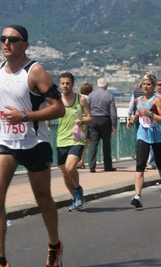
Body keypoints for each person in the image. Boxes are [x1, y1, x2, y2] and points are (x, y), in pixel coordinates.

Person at [0, 25, 65, 267]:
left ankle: (54, 245)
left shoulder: (35, 71)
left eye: (13, 39)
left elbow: (59, 108)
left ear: (24, 44)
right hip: (6, 143)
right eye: (3, 38)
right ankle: (1, 260)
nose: (6, 43)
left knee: (43, 198)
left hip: (35, 143)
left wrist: (25, 116)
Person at [127, 74, 161, 208]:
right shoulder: (138, 100)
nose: (145, 86)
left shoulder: (157, 100)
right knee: (140, 165)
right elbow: (139, 113)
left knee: (160, 163)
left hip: (157, 136)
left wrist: (150, 114)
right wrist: (133, 119)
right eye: (144, 84)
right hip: (143, 135)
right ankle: (137, 196)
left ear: (153, 86)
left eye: (148, 84)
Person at [57, 73, 92, 211]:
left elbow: (90, 117)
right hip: (61, 140)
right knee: (65, 174)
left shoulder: (81, 99)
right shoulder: (57, 100)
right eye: (62, 83)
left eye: (68, 83)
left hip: (76, 140)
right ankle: (75, 199)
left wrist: (83, 121)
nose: (65, 86)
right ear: (59, 84)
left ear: (72, 84)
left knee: (70, 168)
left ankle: (78, 190)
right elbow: (48, 113)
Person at [87, 77, 117, 172]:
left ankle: (92, 166)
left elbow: (87, 109)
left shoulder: (91, 95)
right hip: (105, 120)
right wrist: (114, 125)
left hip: (93, 120)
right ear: (106, 86)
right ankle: (108, 166)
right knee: (106, 144)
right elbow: (113, 112)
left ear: (97, 84)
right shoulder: (109, 96)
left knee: (93, 143)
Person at [77, 82, 93, 169]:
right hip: (87, 122)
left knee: (78, 142)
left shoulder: (78, 98)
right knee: (85, 143)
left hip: (78, 122)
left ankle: (79, 161)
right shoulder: (89, 98)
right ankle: (80, 161)